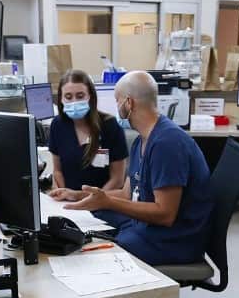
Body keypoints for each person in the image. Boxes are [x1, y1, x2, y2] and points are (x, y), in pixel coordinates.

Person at [62, 71, 213, 266]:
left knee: (100, 256)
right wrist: (78, 195)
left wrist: (107, 202)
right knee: (95, 216)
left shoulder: (167, 143)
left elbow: (165, 214)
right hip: (151, 229)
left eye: (117, 101)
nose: (117, 107)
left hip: (175, 240)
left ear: (129, 103)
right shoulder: (141, 140)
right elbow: (127, 194)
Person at [46, 69, 128, 198]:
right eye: (68, 97)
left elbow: (117, 179)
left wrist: (87, 198)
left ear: (90, 96)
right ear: (60, 99)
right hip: (68, 203)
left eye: (80, 96)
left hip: (104, 203)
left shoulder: (109, 126)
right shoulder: (58, 125)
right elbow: (57, 171)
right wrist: (61, 193)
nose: (74, 101)